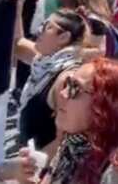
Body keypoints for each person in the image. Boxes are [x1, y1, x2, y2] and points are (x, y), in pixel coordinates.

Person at [15, 9, 86, 152]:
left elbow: (64, 140)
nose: (38, 31)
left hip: (43, 166)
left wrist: (33, 168)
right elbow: (17, 45)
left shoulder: (66, 78)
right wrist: (18, 6)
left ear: (63, 37)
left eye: (47, 27)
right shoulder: (43, 62)